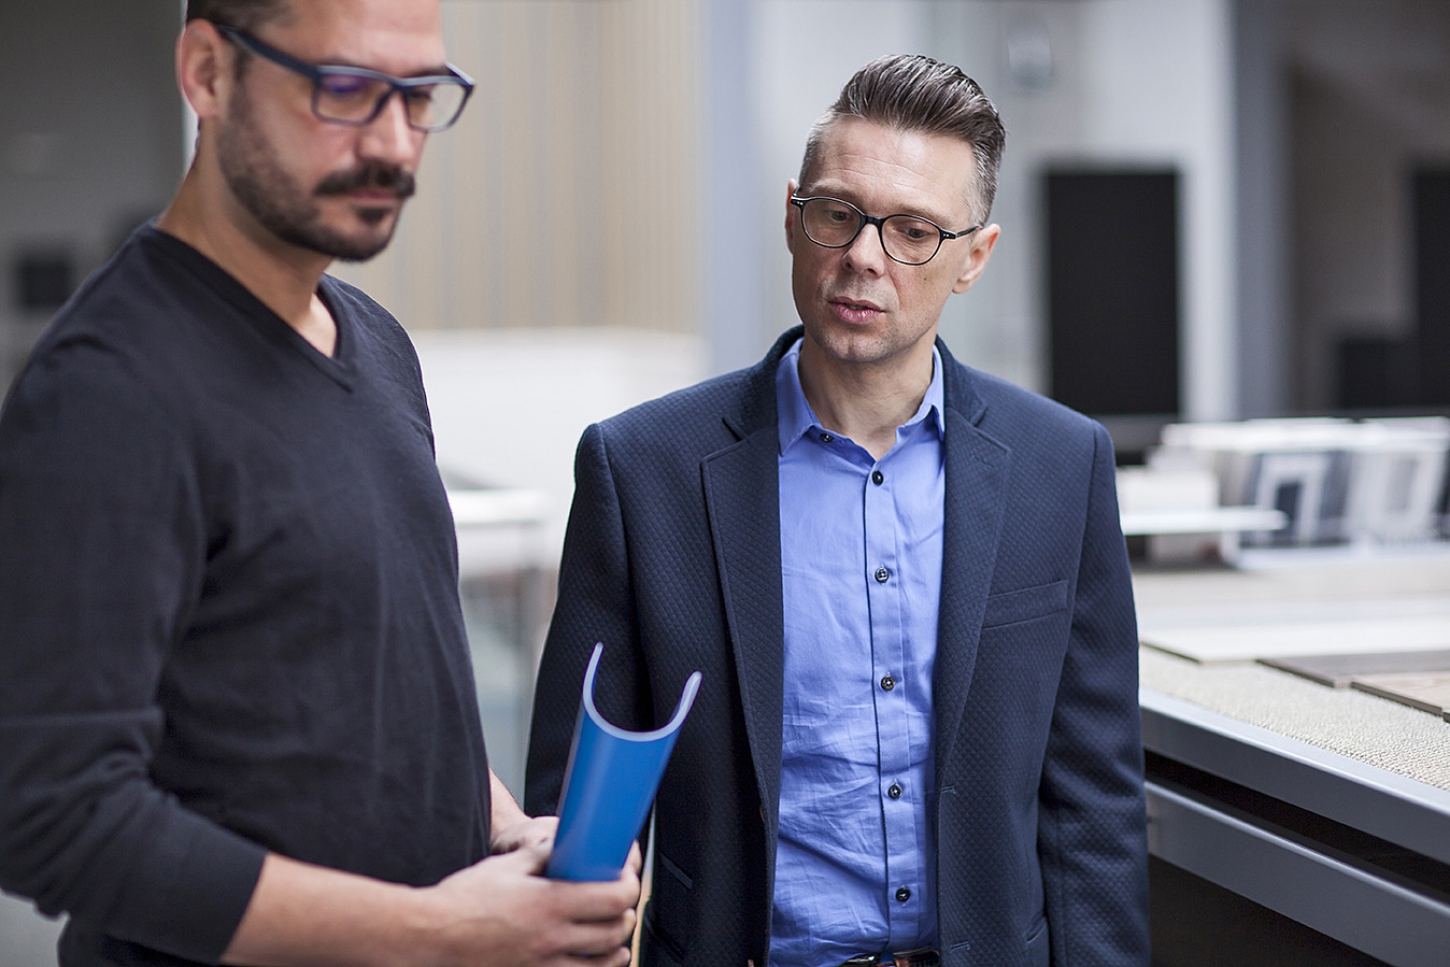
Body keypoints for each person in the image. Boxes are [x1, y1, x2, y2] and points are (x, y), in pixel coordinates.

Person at [0, 1, 639, 965]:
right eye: (344, 90)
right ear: (208, 74)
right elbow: (53, 814)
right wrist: (447, 932)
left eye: (418, 95)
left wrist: (506, 827)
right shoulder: (110, 389)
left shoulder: (376, 341)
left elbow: (386, 684)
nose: (391, 144)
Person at [525, 54, 1149, 967]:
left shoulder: (1062, 466)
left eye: (914, 231)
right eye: (838, 214)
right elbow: (574, 815)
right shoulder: (642, 471)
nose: (864, 255)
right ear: (792, 219)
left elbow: (1094, 809)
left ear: (974, 257)